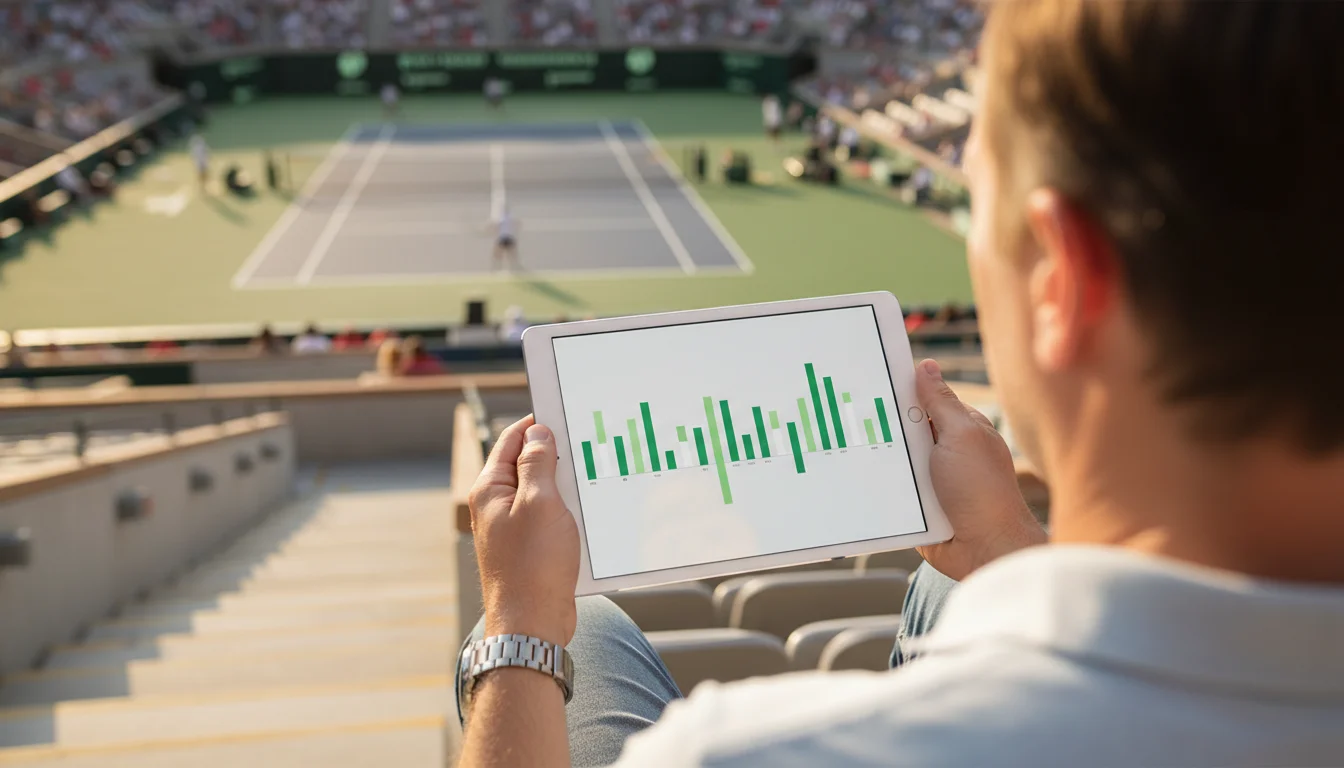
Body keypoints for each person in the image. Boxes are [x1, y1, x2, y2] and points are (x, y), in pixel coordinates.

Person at [455, 1, 1344, 766]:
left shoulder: (734, 754)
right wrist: (1004, 545)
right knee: (955, 584)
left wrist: (519, 620)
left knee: (589, 632)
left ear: (1060, 281)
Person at [492, 203, 519, 271]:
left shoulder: (502, 218)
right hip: (509, 237)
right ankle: (514, 266)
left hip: (503, 237)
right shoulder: (510, 217)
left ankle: (497, 266)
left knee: (498, 253)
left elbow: (497, 225)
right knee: (511, 253)